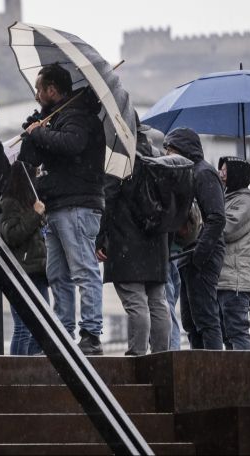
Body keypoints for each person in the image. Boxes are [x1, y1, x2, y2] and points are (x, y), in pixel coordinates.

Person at [18, 64, 106, 355]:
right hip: (57, 206)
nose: (36, 95)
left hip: (77, 205)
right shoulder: (55, 118)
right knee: (57, 274)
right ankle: (62, 334)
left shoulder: (79, 116)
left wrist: (40, 133)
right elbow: (33, 156)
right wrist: (34, 129)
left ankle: (91, 334)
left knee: (83, 270)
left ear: (52, 90)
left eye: (39, 89)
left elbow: (71, 144)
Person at [97, 127, 170, 355]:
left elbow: (107, 200)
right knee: (158, 302)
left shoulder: (121, 160)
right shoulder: (159, 157)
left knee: (136, 302)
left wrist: (100, 238)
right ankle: (161, 355)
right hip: (157, 242)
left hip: (127, 242)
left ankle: (137, 355)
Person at [162, 127, 226, 350]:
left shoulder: (203, 173)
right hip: (189, 255)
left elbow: (217, 217)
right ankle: (198, 369)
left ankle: (213, 372)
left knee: (206, 318)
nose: (167, 154)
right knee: (191, 320)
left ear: (183, 149)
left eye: (170, 149)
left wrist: (199, 254)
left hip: (203, 254)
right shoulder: (188, 173)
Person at [0, 161, 49, 355]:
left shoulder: (35, 200)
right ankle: (17, 374)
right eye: (35, 171)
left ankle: (34, 372)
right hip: (22, 271)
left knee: (43, 326)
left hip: (38, 270)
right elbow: (12, 235)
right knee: (24, 327)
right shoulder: (10, 201)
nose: (38, 175)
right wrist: (34, 214)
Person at [215, 157, 250, 350]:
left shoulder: (246, 202)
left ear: (235, 175)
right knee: (226, 334)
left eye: (225, 171)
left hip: (236, 281)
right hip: (224, 279)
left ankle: (247, 377)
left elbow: (227, 229)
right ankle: (234, 376)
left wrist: (208, 224)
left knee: (238, 332)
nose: (221, 175)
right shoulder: (227, 199)